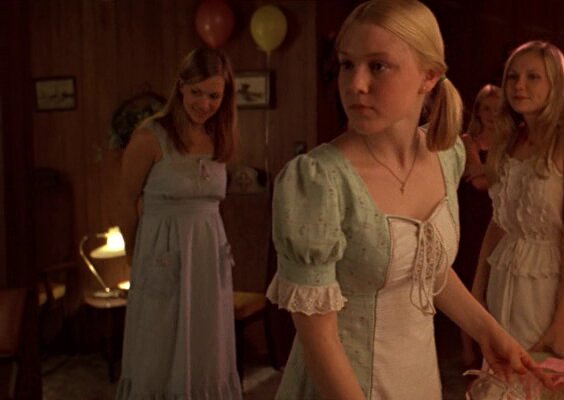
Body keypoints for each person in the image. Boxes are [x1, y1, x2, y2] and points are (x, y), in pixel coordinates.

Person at [265, 1, 540, 399]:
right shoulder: (318, 181)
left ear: (429, 76)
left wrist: (488, 331)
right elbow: (318, 339)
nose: (356, 84)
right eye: (347, 64)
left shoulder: (446, 156)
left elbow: (427, 270)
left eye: (378, 66)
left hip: (417, 378)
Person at [115, 47, 242, 399]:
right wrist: (133, 257)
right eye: (197, 92)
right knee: (159, 345)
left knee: (208, 344)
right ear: (181, 86)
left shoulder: (220, 137)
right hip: (162, 254)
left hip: (208, 257)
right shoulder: (151, 137)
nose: (204, 103)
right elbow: (126, 202)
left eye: (214, 95)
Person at [471, 40, 564, 363]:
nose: (519, 85)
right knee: (502, 374)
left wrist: (561, 324)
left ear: (555, 83)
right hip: (504, 275)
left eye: (533, 77)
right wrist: (477, 289)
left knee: (543, 377)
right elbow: (500, 221)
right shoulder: (510, 139)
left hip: (545, 285)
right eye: (512, 77)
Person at [456, 84, 502, 368]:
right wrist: (499, 172)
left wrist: (486, 170)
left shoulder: (511, 140)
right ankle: (467, 350)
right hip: (474, 216)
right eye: (486, 108)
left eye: (497, 109)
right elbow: (480, 184)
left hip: (501, 215)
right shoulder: (467, 140)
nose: (491, 114)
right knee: (469, 280)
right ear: (478, 111)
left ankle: (494, 346)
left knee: (495, 281)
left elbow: (485, 175)